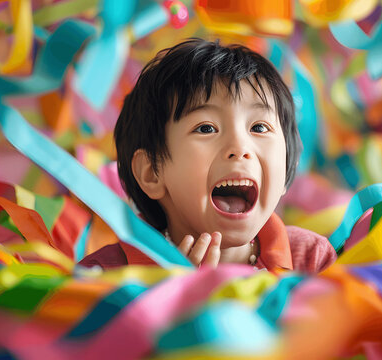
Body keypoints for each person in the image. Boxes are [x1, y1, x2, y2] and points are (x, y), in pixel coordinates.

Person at [80, 38, 336, 272]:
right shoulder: (104, 276)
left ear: (287, 162)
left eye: (259, 127)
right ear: (152, 173)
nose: (240, 148)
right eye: (206, 128)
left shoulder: (312, 261)